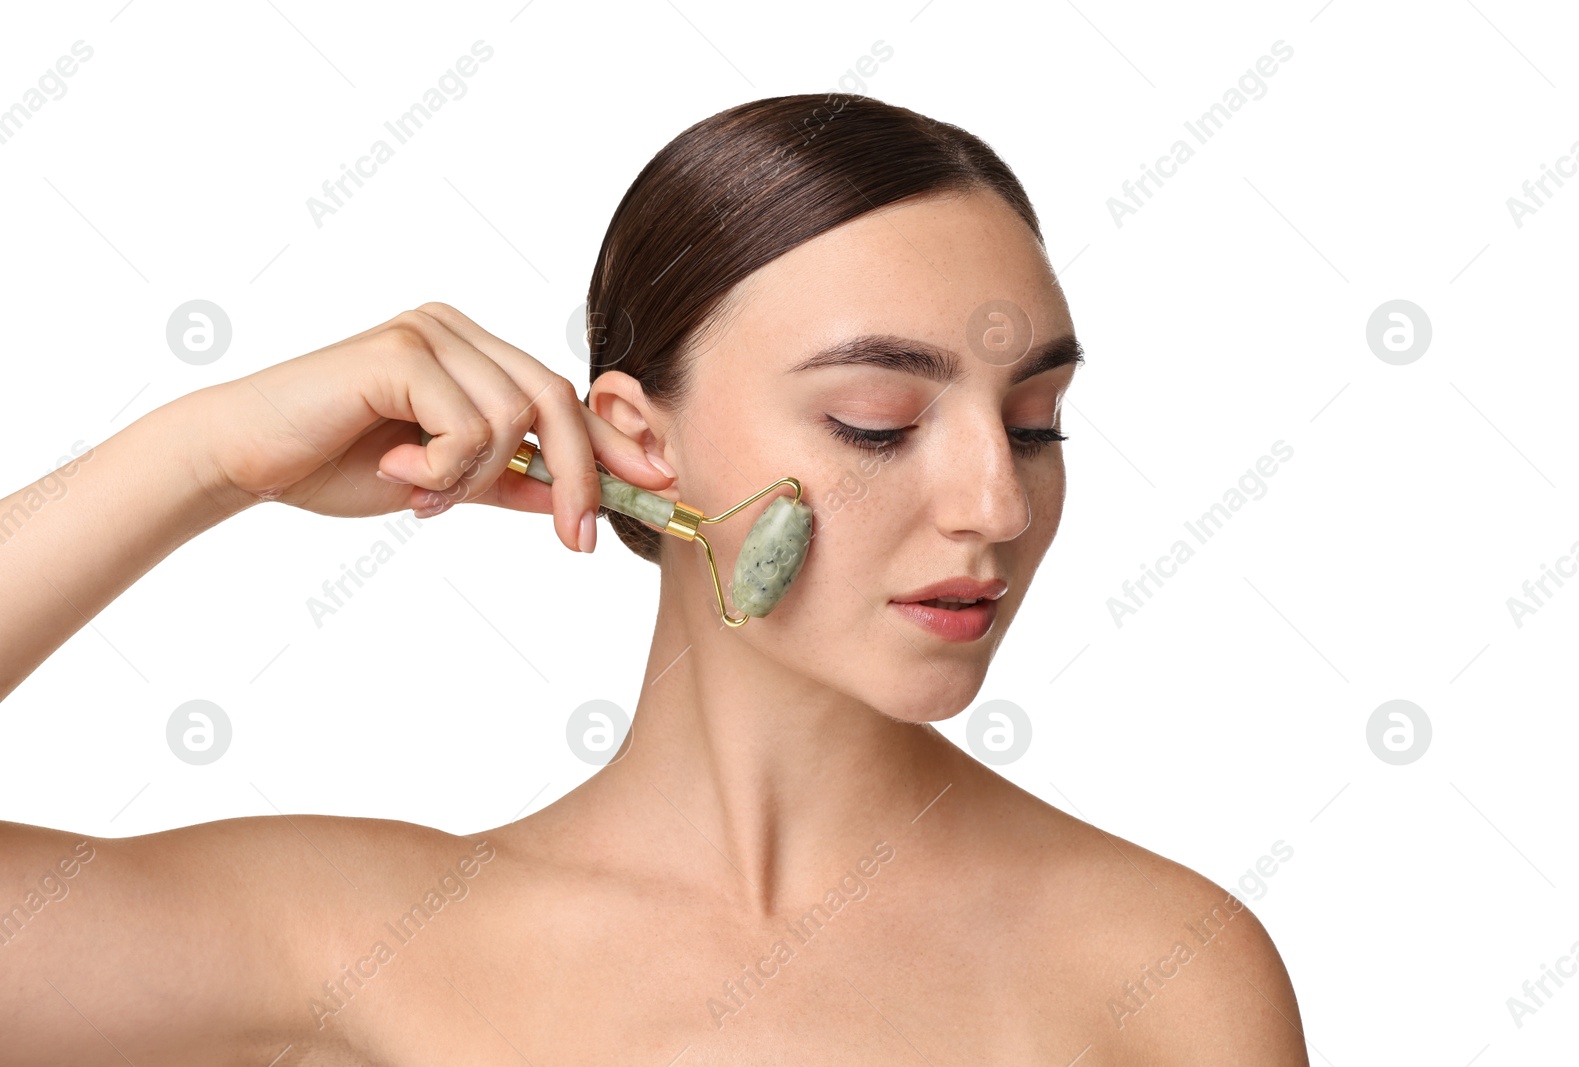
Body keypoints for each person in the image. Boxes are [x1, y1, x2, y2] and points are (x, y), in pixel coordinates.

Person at [0, 93, 1308, 1064]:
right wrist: (202, 457)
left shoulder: (1161, 972)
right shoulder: (364, 944)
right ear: (639, 443)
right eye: (875, 420)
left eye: (1035, 423)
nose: (997, 502)